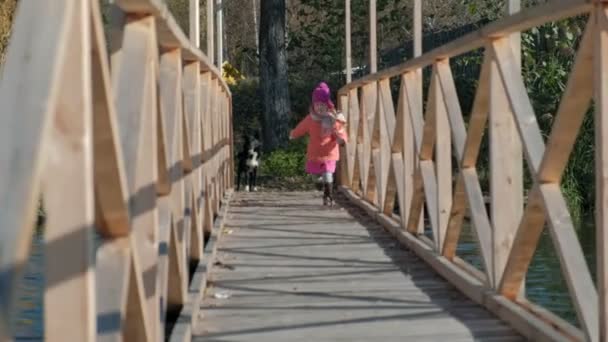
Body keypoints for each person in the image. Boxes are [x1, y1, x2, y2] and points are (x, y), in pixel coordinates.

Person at [289, 82, 347, 206]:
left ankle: (329, 196)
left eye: (322, 105)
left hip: (329, 152)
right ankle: (322, 184)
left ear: (327, 105)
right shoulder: (310, 119)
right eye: (317, 105)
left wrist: (341, 139)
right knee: (315, 176)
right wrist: (293, 134)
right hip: (315, 154)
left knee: (328, 174)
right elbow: (301, 128)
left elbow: (341, 130)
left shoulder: (333, 118)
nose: (320, 107)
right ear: (313, 106)